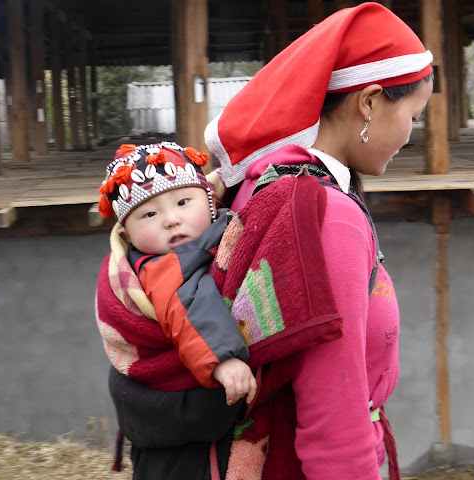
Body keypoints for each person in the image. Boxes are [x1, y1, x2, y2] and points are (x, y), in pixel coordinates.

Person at [100, 3, 434, 479]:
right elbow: (332, 416)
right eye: (413, 115)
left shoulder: (259, 182)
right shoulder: (326, 216)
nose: (408, 135)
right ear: (370, 101)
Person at [97, 142, 257, 406]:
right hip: (196, 386)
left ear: (210, 201)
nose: (171, 219)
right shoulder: (160, 267)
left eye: (183, 202)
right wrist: (223, 359)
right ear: (128, 236)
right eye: (149, 214)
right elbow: (186, 304)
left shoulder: (218, 223)